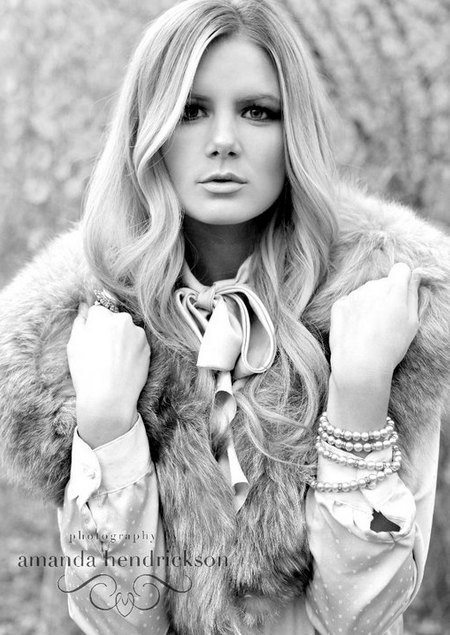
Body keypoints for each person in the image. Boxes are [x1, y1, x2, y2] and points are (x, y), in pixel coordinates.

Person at [1, 0, 450, 633]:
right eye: (190, 110)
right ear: (147, 130)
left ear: (294, 131)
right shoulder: (82, 327)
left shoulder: (387, 304)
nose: (223, 141)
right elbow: (120, 619)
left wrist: (359, 392)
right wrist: (106, 425)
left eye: (257, 111)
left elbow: (360, 616)